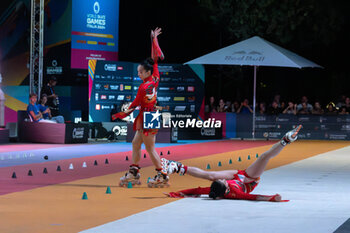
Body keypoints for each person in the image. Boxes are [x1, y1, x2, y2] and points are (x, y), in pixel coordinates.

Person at [162, 125, 302, 201]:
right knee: (264, 157)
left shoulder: (216, 188)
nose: (223, 179)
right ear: (227, 189)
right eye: (223, 181)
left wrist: (177, 193)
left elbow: (197, 190)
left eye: (222, 180)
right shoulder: (234, 192)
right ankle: (286, 140)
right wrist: (272, 198)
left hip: (237, 175)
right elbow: (252, 197)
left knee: (211, 175)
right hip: (249, 179)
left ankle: (178, 167)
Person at [111, 27, 168, 187]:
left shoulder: (143, 87)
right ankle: (134, 172)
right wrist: (153, 39)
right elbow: (154, 58)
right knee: (136, 144)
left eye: (141, 72)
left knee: (150, 148)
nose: (138, 74)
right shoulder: (155, 77)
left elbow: (135, 104)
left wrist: (118, 115)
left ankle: (162, 175)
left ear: (148, 72)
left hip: (148, 117)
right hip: (151, 115)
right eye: (138, 72)